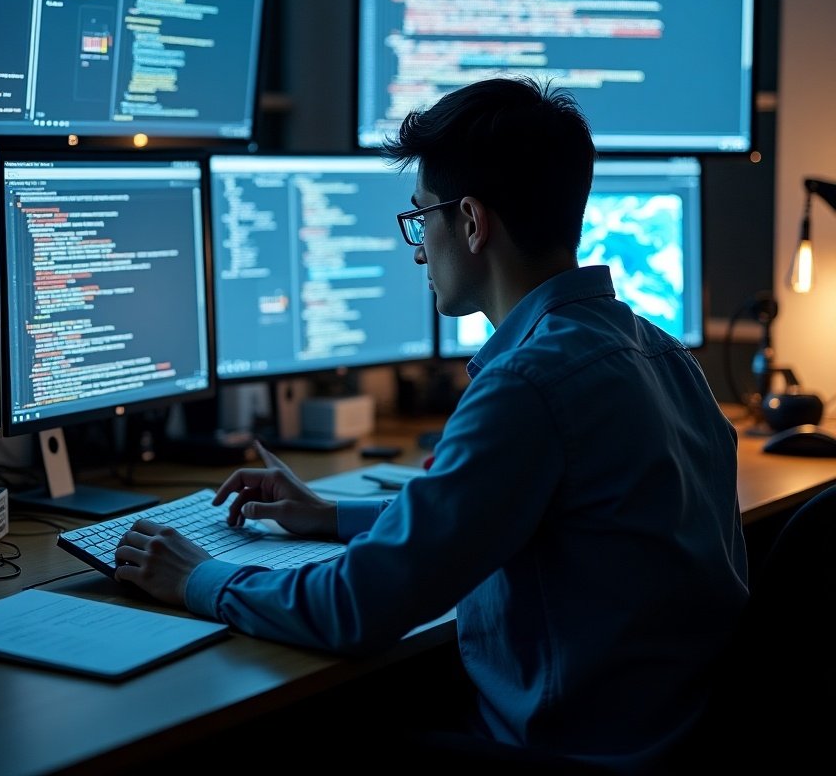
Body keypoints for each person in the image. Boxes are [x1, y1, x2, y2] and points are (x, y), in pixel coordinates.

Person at [114, 74, 749, 772]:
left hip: (573, 754)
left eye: (421, 219)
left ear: (471, 222)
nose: (418, 248)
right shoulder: (657, 351)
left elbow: (356, 609)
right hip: (677, 739)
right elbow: (508, 513)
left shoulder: (527, 385)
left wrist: (199, 577)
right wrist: (333, 516)